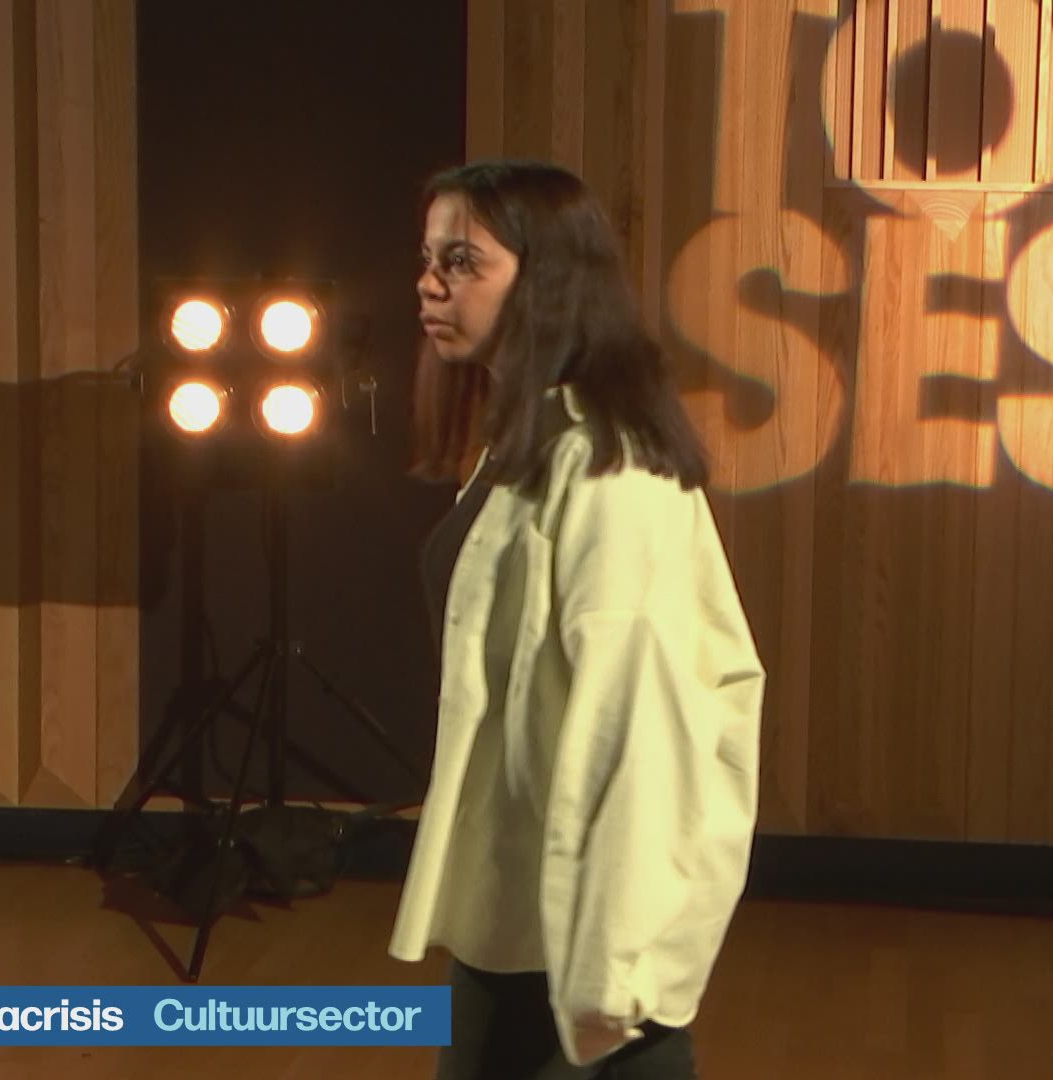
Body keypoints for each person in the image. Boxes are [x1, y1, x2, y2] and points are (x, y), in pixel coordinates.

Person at [390, 159, 765, 1079]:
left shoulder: (608, 466)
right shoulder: (528, 442)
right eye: (429, 259)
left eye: (463, 261)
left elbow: (633, 730)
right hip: (515, 915)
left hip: (583, 943)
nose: (430, 284)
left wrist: (609, 974)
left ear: (547, 279)